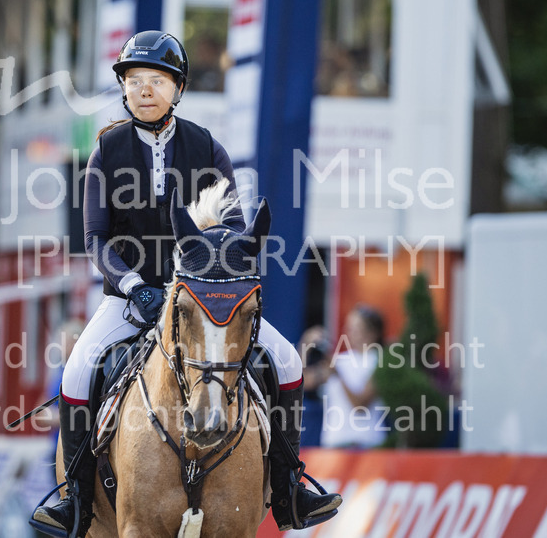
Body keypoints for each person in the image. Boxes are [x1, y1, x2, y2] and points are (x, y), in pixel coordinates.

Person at [32, 31, 341, 534]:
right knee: (76, 372)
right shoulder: (107, 150)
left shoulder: (206, 147)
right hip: (129, 299)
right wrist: (133, 285)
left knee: (285, 361)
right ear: (124, 89)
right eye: (134, 81)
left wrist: (212, 274)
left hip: (204, 296)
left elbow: (237, 228)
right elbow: (95, 236)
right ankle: (75, 496)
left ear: (178, 88)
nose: (145, 90)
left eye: (157, 80)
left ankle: (290, 488)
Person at [321, 305, 388, 449]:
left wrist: (338, 376)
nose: (350, 333)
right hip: (334, 443)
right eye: (349, 328)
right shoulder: (340, 360)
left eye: (357, 328)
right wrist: (306, 344)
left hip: (365, 444)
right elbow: (303, 382)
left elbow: (360, 405)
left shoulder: (381, 361)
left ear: (372, 332)